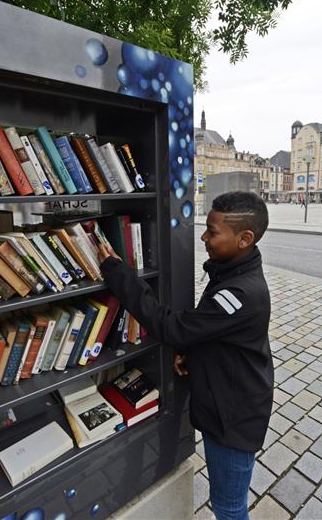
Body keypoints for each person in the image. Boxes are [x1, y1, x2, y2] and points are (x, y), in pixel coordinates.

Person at [97, 191, 273, 520]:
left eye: (212, 232)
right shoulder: (233, 270)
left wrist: (119, 274)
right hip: (226, 404)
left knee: (229, 507)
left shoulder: (240, 293)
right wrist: (192, 352)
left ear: (245, 239)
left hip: (233, 421)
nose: (204, 238)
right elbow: (215, 333)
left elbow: (172, 328)